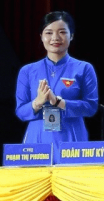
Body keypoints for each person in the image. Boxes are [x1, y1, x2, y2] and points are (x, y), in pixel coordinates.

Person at [14, 12, 99, 143]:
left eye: (62, 32)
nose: (55, 38)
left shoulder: (84, 68)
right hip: (37, 139)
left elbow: (91, 107)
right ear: (41, 36)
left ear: (71, 36)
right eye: (49, 33)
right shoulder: (27, 71)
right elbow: (21, 112)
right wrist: (38, 102)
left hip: (72, 138)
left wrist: (58, 102)